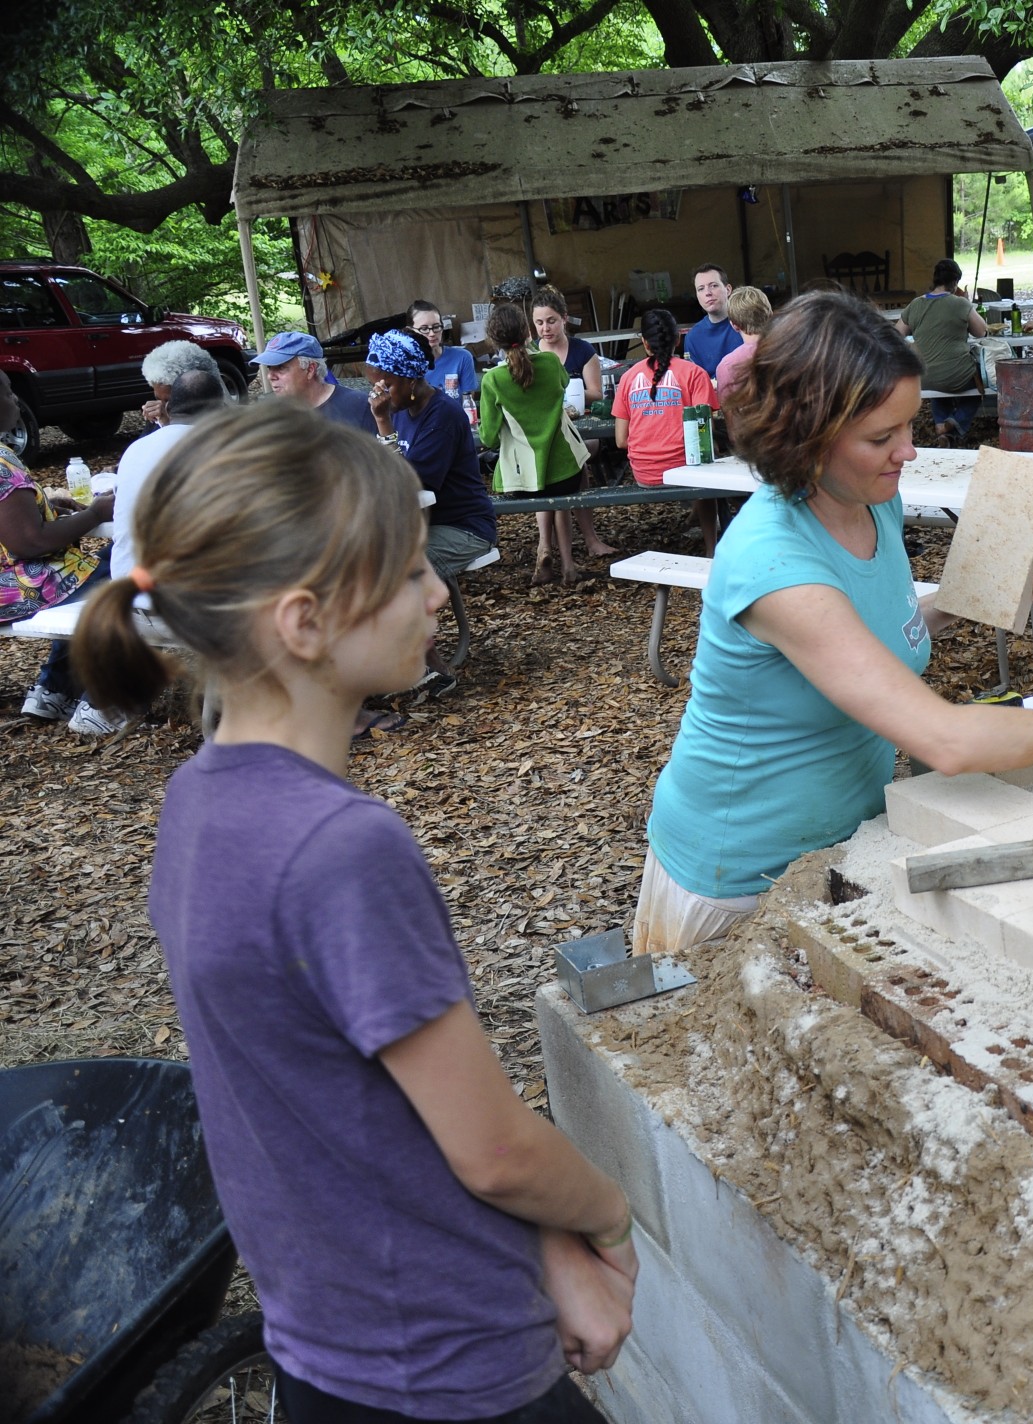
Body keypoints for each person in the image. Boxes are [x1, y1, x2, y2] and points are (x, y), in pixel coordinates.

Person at [72, 401, 636, 1422]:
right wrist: (604, 1215)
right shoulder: (341, 849)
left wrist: (547, 1243)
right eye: (411, 570)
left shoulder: (199, 800)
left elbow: (369, 1102)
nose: (438, 591)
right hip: (448, 1364)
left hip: (329, 1347)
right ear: (305, 622)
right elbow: (495, 1151)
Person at [637, 289, 1033, 953]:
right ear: (805, 435)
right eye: (881, 437)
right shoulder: (772, 561)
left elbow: (865, 639)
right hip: (736, 876)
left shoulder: (870, 500)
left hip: (839, 842)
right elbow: (946, 741)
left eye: (909, 426)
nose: (908, 453)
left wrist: (960, 600)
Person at [365, 329, 496, 691]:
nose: (379, 392)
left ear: (410, 379)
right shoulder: (403, 409)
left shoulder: (442, 415)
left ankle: (433, 669)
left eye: (386, 383)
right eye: (376, 383)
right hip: (421, 527)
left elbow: (411, 483)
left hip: (464, 528)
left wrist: (382, 423)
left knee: (397, 574)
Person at [3, 371, 116, 731]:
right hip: (19, 586)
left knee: (106, 565)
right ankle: (103, 705)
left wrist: (45, 508)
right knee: (131, 576)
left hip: (15, 581)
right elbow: (29, 542)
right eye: (7, 392)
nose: (15, 399)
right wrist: (95, 514)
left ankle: (52, 691)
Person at [478, 303, 582, 587]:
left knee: (541, 480)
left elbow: (487, 438)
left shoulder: (492, 379)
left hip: (522, 480)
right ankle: (568, 564)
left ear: (493, 340)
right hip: (566, 474)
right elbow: (564, 384)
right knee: (560, 485)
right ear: (527, 331)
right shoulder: (550, 362)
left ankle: (544, 549)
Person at [613, 309, 719, 554]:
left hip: (645, 473)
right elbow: (705, 431)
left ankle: (695, 517)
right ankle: (712, 549)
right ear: (678, 339)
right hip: (686, 469)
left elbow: (620, 441)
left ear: (644, 343)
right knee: (709, 461)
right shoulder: (694, 373)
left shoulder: (628, 378)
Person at [112, 368, 228, 582]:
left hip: (126, 590)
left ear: (169, 408)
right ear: (219, 412)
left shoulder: (135, 449)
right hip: (186, 595)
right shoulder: (215, 451)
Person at [531, 287, 618, 563]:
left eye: (551, 321)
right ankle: (549, 546)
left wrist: (569, 396)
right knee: (548, 463)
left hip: (580, 428)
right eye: (539, 322)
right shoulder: (530, 353)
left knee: (573, 456)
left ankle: (580, 541)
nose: (545, 328)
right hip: (543, 433)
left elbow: (596, 393)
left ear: (564, 318)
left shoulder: (582, 350)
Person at [895, 260, 988, 442]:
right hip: (957, 375)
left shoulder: (915, 304)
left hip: (924, 377)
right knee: (982, 384)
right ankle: (955, 422)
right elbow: (982, 331)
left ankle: (941, 425)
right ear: (955, 282)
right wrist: (967, 304)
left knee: (937, 378)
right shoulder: (960, 303)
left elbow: (896, 335)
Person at [254, 331, 374, 432]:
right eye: (269, 368)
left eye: (280, 367)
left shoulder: (359, 406)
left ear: (310, 369)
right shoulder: (271, 416)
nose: (270, 376)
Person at [713, 286, 772, 408]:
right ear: (770, 315)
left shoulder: (727, 366)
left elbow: (729, 415)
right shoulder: (792, 351)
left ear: (734, 325)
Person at [140, 339, 222, 427]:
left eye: (169, 401)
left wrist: (169, 425)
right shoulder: (158, 420)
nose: (160, 407)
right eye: (158, 399)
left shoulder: (221, 425)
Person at [409, 299, 479, 400]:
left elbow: (468, 402)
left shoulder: (462, 358)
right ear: (410, 331)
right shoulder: (405, 365)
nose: (432, 333)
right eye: (424, 329)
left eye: (436, 327)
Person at [681, 265, 743, 377]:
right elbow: (694, 381)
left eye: (713, 286)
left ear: (728, 290)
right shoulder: (693, 337)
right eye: (701, 289)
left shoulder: (747, 324)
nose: (707, 293)